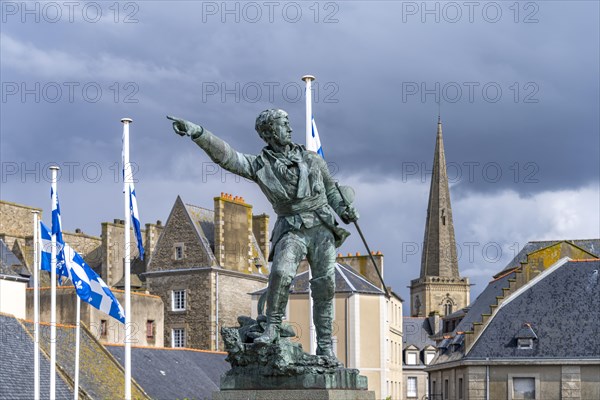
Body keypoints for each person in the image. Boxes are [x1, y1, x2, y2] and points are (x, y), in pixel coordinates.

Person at [167, 109, 358, 358]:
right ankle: (272, 326)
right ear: (268, 132)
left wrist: (345, 210)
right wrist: (198, 133)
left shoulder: (312, 160)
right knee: (280, 272)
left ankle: (324, 347)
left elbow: (332, 190)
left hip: (321, 226)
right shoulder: (260, 165)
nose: (289, 128)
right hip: (291, 226)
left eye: (289, 123)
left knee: (325, 285)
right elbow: (227, 156)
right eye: (283, 124)